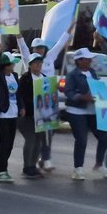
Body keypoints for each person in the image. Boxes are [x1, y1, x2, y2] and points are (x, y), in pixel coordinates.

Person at [18, 33, 70, 172]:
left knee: (45, 136)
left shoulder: (47, 71)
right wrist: (18, 34)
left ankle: (40, 161)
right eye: (37, 48)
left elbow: (60, 44)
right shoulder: (25, 73)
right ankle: (30, 165)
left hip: (46, 109)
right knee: (33, 139)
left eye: (42, 47)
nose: (39, 65)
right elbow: (22, 47)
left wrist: (70, 28)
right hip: (30, 113)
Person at [63, 48, 107, 180]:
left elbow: (97, 87)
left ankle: (99, 164)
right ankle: (78, 168)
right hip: (76, 111)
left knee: (104, 136)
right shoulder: (72, 75)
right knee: (82, 139)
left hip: (93, 111)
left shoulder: (92, 72)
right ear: (79, 61)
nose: (90, 61)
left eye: (90, 59)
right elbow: (68, 92)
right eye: (87, 59)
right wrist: (82, 97)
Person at [16, 53, 46, 179]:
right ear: (30, 65)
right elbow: (19, 95)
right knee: (31, 139)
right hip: (27, 115)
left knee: (39, 140)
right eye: (35, 62)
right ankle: (27, 166)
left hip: (41, 115)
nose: (38, 64)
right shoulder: (24, 79)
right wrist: (22, 107)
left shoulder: (45, 78)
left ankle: (33, 165)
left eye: (40, 62)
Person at [0, 53, 20, 183]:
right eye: (12, 63)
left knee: (10, 144)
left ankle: (4, 166)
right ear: (5, 65)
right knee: (3, 144)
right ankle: (1, 170)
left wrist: (22, 106)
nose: (14, 65)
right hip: (2, 115)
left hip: (13, 114)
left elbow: (18, 94)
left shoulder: (15, 76)